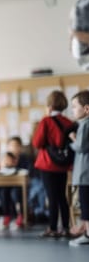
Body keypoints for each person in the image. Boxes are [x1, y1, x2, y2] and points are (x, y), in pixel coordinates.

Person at [32, 90, 74, 239]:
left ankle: (52, 228)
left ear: (49, 105)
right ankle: (66, 228)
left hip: (47, 164)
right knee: (62, 196)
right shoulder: (69, 122)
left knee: (52, 196)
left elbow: (37, 143)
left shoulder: (46, 121)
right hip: (62, 164)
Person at [68, 90, 89, 246]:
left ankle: (88, 235)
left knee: (86, 204)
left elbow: (81, 147)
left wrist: (73, 140)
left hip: (85, 173)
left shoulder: (84, 124)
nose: (73, 110)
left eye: (75, 106)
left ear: (86, 109)